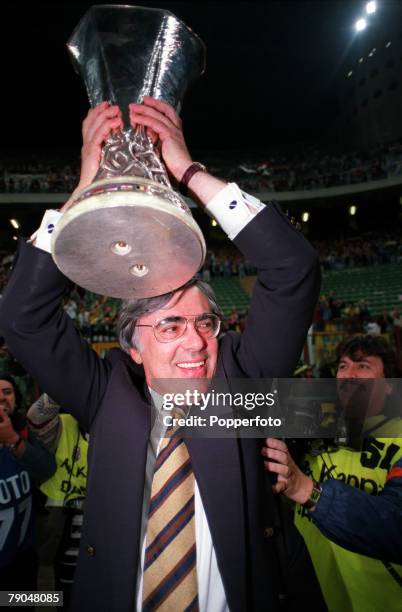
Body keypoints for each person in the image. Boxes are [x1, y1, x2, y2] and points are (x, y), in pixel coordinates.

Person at [0, 97, 320, 612]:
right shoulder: (104, 393)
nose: (195, 342)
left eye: (204, 323)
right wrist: (84, 191)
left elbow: (294, 268)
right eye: (170, 326)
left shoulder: (241, 381)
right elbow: (22, 316)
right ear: (133, 343)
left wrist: (189, 172)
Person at [263, 335, 402, 611]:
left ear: (388, 385)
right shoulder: (315, 430)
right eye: (342, 366)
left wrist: (306, 490)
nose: (348, 375)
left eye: (362, 367)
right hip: (317, 597)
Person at [27, 393, 88, 609]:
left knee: (77, 584)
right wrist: (68, 384)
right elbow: (36, 416)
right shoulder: (64, 424)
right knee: (47, 582)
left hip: (89, 522)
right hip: (53, 520)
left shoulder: (114, 431)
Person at [0, 376, 56, 591]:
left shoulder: (24, 432)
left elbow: (47, 469)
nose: (2, 398)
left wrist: (13, 440)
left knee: (38, 600)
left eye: (7, 392)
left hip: (24, 559)